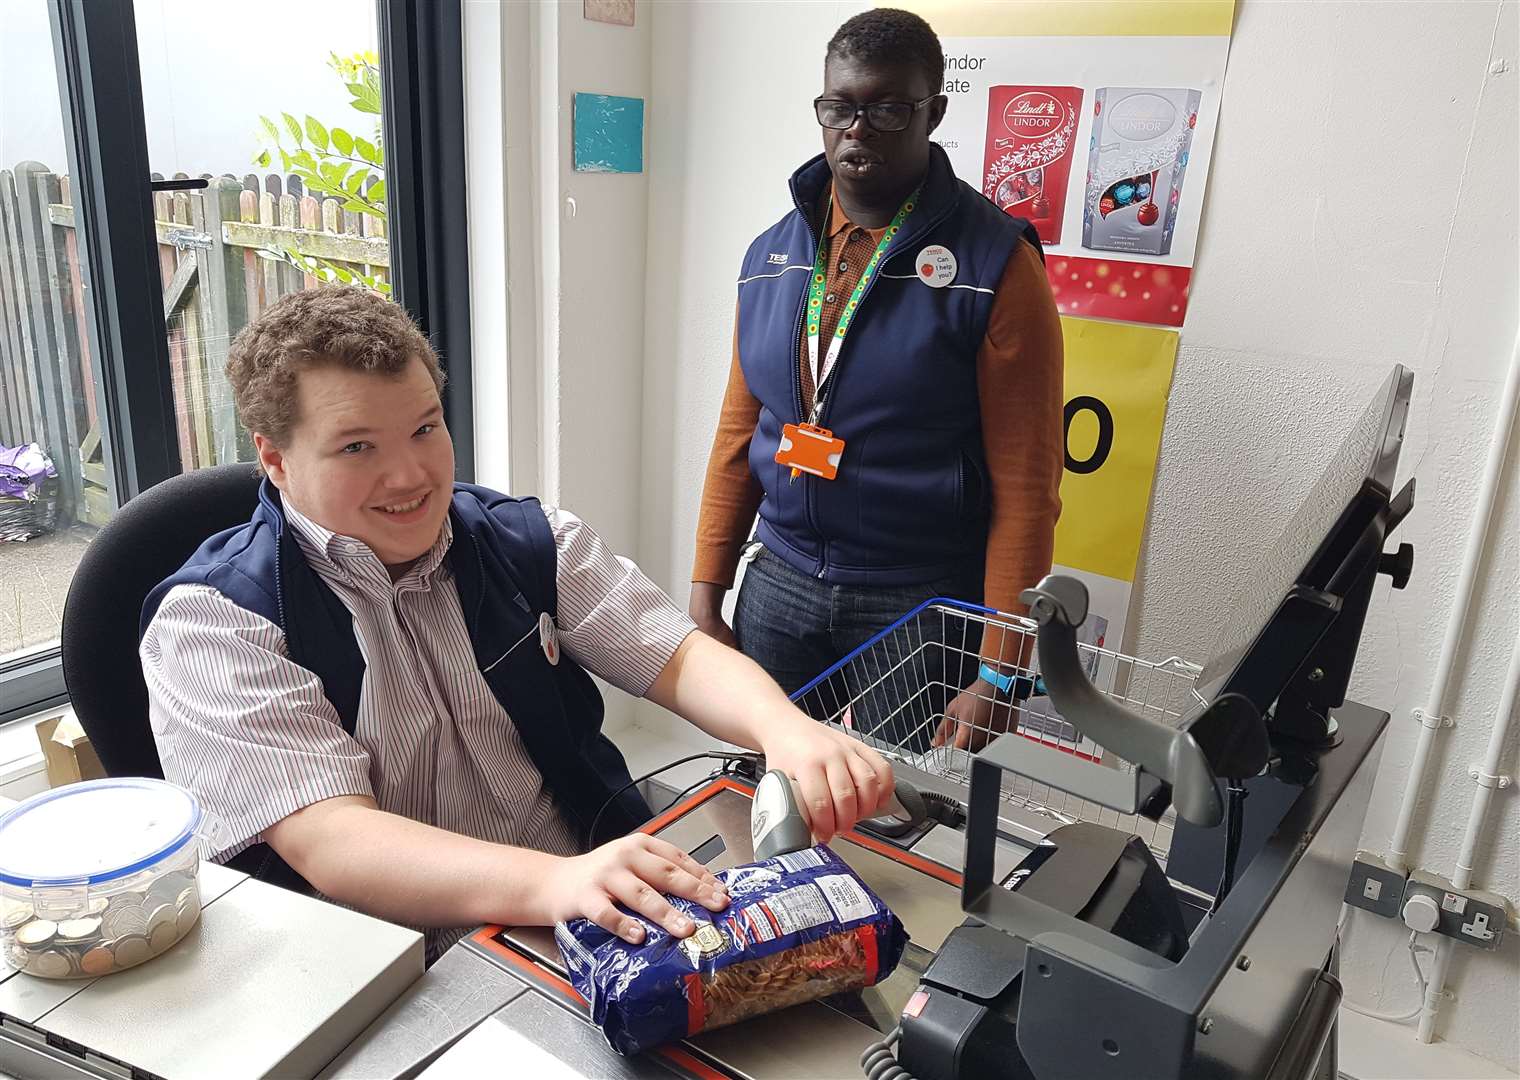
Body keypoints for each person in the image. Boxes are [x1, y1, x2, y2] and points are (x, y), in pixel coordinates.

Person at [140, 286, 894, 961]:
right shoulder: (215, 627)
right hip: (392, 966)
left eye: (425, 429)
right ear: (274, 458)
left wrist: (783, 728)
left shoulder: (524, 540)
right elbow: (334, 841)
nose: (410, 476)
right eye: (357, 447)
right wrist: (555, 884)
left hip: (584, 904)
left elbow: (679, 657)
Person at [689, 8, 1065, 752]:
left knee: (899, 811)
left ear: (934, 113)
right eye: (841, 107)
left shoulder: (997, 268)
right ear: (823, 111)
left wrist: (997, 673)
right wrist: (706, 594)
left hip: (916, 601)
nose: (858, 129)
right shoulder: (772, 255)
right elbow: (741, 433)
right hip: (781, 583)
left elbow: (1027, 486)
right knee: (773, 791)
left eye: (889, 108)